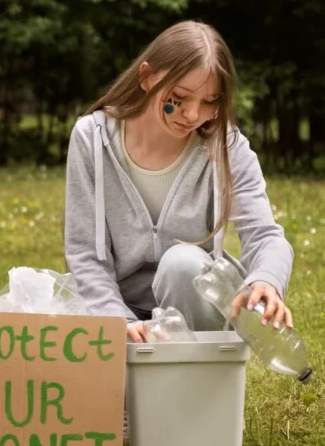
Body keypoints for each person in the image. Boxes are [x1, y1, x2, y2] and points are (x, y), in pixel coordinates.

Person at [64, 20, 294, 343]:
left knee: (181, 264)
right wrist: (118, 322)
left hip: (199, 312)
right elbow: (85, 254)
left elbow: (266, 236)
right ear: (146, 77)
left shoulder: (226, 147)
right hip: (119, 312)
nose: (191, 114)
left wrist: (267, 280)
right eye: (179, 97)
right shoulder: (91, 138)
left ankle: (197, 381)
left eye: (210, 102)